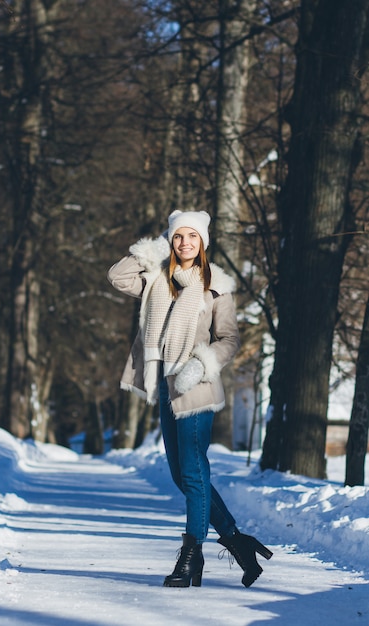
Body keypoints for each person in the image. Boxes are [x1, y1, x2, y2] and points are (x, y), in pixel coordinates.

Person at [107, 209, 272, 588]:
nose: (184, 243)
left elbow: (229, 339)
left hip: (195, 382)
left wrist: (201, 365)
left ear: (203, 243)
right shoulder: (155, 279)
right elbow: (117, 276)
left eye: (192, 237)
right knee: (182, 475)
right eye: (178, 236)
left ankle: (191, 555)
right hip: (165, 382)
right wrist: (153, 249)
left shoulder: (217, 287)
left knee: (194, 471)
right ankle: (236, 540)